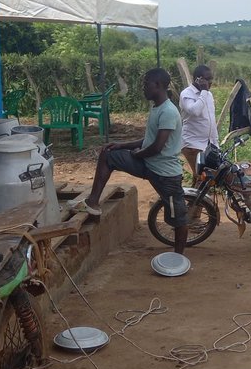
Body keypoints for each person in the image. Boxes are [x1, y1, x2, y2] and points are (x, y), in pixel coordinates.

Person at [77, 68, 188, 253]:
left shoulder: (168, 111)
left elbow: (157, 147)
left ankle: (178, 258)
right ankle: (93, 202)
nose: (143, 88)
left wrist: (137, 154)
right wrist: (121, 145)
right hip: (150, 165)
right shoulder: (157, 108)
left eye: (146, 84)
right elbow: (148, 141)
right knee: (108, 154)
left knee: (178, 218)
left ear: (158, 85)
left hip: (165, 174)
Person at [179, 64, 218, 175]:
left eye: (211, 79)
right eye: (207, 79)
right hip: (193, 145)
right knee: (202, 177)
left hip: (207, 145)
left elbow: (211, 119)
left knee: (204, 177)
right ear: (198, 79)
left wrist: (215, 143)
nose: (210, 82)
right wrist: (204, 92)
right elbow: (195, 111)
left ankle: (193, 192)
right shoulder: (186, 94)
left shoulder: (209, 95)